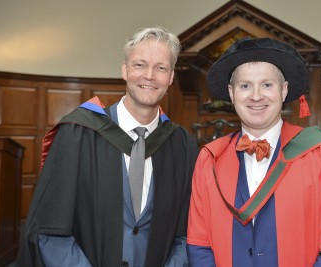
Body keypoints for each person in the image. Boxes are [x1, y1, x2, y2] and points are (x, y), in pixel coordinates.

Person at [15, 26, 198, 267]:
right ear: (124, 69)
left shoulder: (182, 145)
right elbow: (50, 230)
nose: (149, 76)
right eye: (140, 65)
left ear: (171, 76)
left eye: (161, 68)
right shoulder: (78, 133)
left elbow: (188, 233)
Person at [187, 37, 321, 267]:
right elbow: (199, 244)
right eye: (245, 85)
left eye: (267, 84)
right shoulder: (210, 159)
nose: (256, 96)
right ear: (232, 92)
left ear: (284, 90)